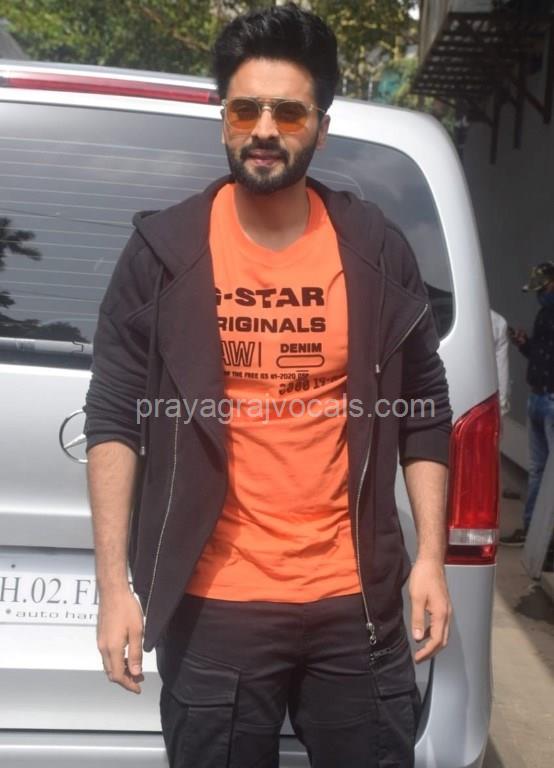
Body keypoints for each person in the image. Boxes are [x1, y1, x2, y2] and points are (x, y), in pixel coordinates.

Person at [84, 5, 453, 766]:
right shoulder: (163, 253)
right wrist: (114, 586)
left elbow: (423, 409)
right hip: (215, 607)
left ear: (321, 127)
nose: (263, 129)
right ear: (222, 116)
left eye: (288, 112)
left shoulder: (373, 249)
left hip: (356, 602)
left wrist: (430, 560)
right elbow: (116, 417)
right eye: (244, 108)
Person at [501, 261, 554, 546]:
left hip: (551, 399)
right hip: (537, 397)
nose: (541, 294)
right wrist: (523, 343)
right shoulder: (545, 314)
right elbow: (541, 355)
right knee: (538, 469)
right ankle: (532, 530)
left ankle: (544, 537)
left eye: (544, 288)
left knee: (548, 472)